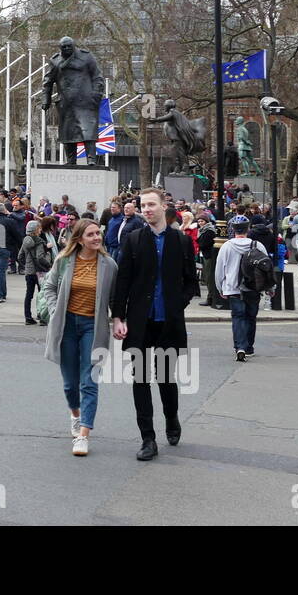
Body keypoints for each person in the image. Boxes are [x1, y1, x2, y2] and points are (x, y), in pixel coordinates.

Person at [110, 187, 199, 462]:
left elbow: (190, 282)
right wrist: (118, 316)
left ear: (163, 206)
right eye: (142, 205)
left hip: (168, 321)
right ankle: (147, 438)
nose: (146, 209)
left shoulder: (180, 241)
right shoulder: (134, 239)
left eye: (151, 204)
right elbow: (122, 280)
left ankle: (171, 419)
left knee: (165, 378)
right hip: (140, 320)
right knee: (140, 379)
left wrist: (177, 305)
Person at [42, 218, 117, 457]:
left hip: (92, 326)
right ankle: (75, 415)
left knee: (89, 381)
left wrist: (118, 319)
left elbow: (116, 298)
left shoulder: (109, 264)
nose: (97, 238)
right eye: (91, 234)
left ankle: (83, 435)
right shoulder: (64, 261)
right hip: (67, 325)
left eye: (98, 233)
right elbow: (49, 287)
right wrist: (54, 311)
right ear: (79, 238)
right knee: (69, 384)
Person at [215, 214, 270, 361]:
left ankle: (240, 347)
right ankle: (249, 347)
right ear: (248, 228)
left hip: (233, 287)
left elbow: (219, 269)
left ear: (233, 229)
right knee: (251, 317)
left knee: (238, 317)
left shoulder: (226, 246)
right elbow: (267, 267)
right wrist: (270, 287)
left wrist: (220, 287)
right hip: (253, 287)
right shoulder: (257, 245)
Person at [17, 219, 53, 325]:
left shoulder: (25, 241)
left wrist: (26, 266)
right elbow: (40, 257)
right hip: (40, 272)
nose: (41, 230)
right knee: (42, 294)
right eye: (39, 228)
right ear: (36, 229)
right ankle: (42, 316)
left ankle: (28, 317)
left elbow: (20, 256)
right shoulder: (39, 241)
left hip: (29, 272)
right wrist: (49, 265)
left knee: (29, 295)